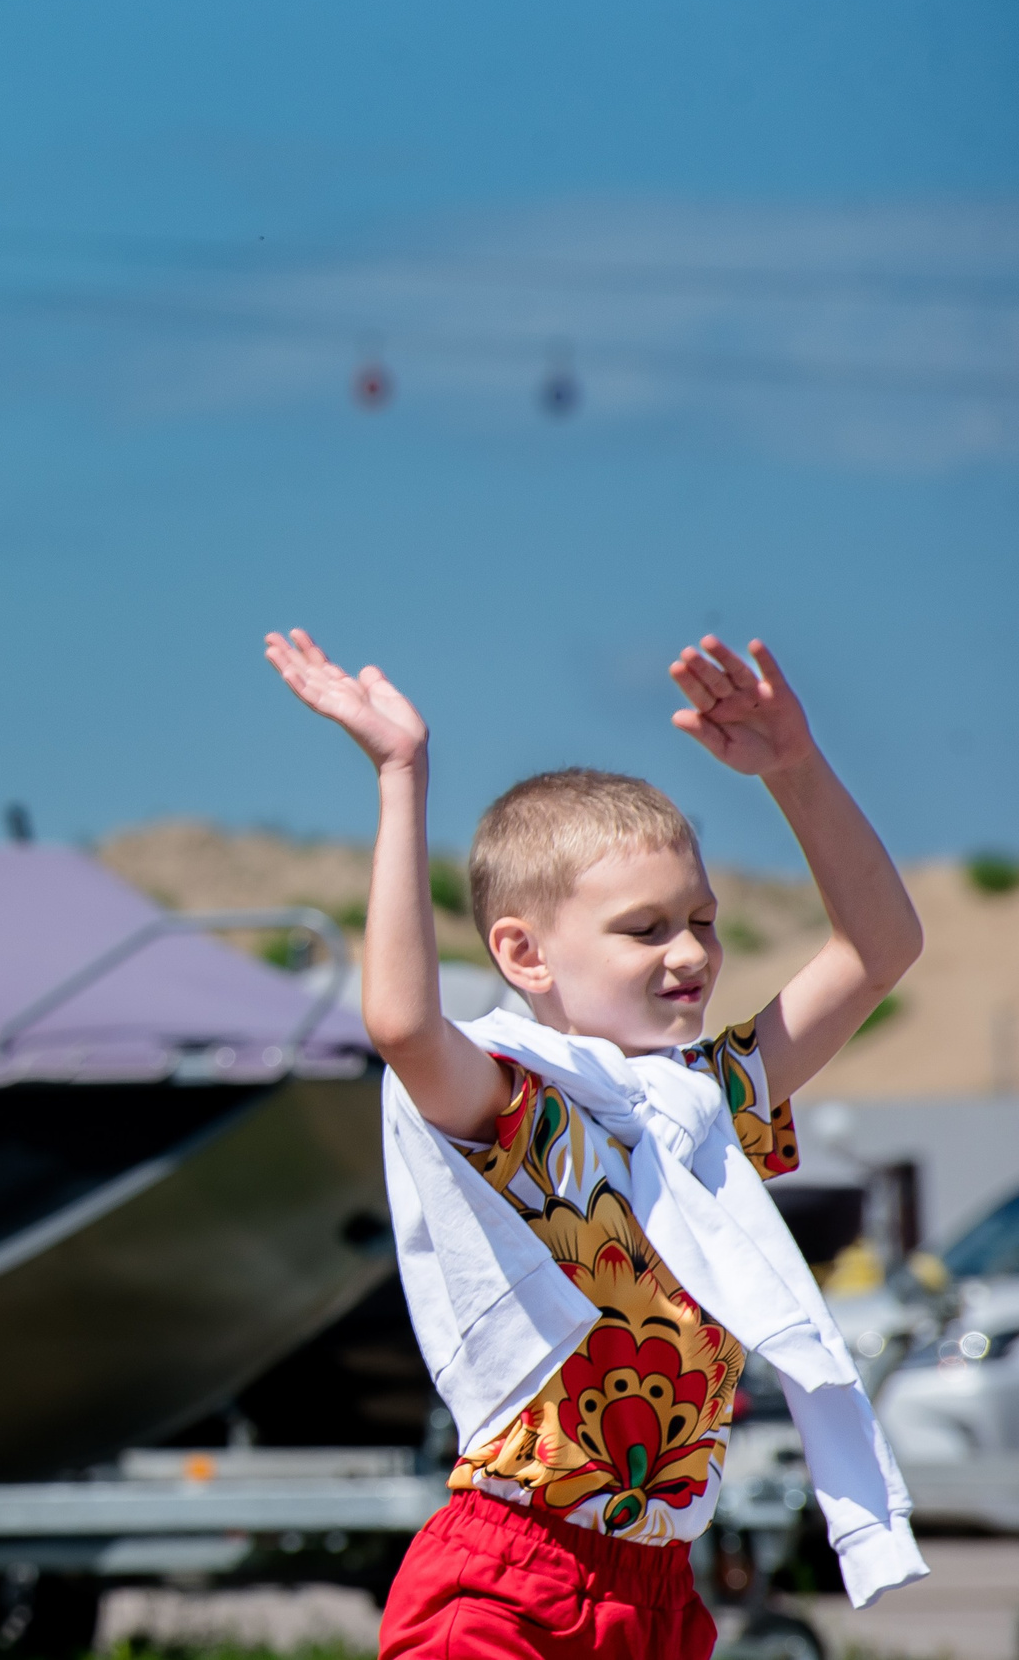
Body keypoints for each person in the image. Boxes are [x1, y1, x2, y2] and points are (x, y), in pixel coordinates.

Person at [264, 628, 928, 1658]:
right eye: (645, 926)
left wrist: (795, 768)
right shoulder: (518, 1108)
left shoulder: (706, 1105)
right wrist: (403, 775)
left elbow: (877, 949)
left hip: (658, 1592)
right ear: (523, 953)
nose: (691, 952)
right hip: (507, 1576)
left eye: (700, 918)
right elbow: (400, 1026)